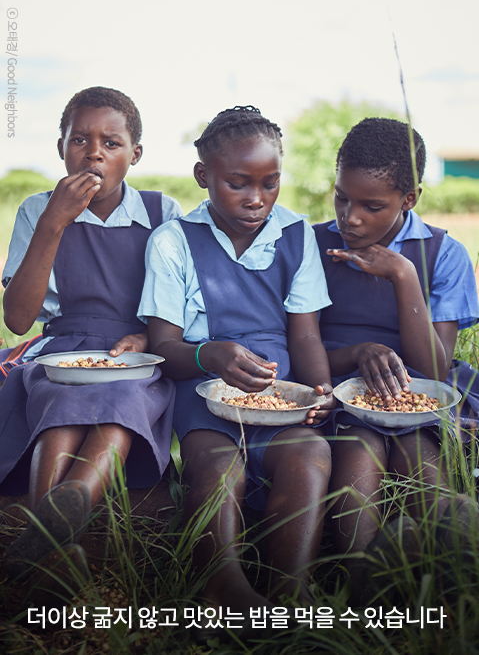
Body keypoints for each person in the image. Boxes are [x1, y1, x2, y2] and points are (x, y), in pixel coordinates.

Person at [138, 106, 334, 622]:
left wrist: (317, 389)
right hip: (201, 389)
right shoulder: (173, 241)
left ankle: (290, 589)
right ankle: (223, 589)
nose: (257, 199)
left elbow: (306, 332)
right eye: (238, 184)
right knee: (217, 466)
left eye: (270, 184)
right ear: (204, 176)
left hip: (278, 391)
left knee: (309, 456)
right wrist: (211, 354)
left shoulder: (295, 234)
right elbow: (165, 347)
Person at [0, 86, 180, 599]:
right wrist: (57, 220)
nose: (94, 152)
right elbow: (17, 318)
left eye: (112, 143)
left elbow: (180, 301)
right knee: (60, 393)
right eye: (80, 139)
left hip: (135, 350)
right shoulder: (39, 209)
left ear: (135, 155)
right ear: (61, 148)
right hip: (61, 345)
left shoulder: (160, 211)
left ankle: (71, 500)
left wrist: (150, 333)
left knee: (123, 396)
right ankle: (53, 530)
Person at [313, 117, 479, 604]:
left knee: (423, 461)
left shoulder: (441, 254)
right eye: (342, 197)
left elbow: (434, 366)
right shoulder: (311, 244)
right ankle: (364, 580)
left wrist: (404, 275)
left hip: (415, 393)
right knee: (359, 456)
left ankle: (449, 568)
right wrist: (358, 353)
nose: (351, 217)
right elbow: (296, 345)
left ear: (410, 199)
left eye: (372, 206)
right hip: (338, 382)